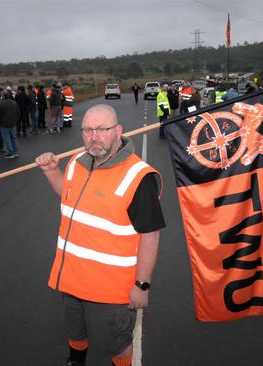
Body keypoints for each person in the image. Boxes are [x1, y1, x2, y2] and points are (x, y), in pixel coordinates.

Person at [34, 104, 165, 366]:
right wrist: (51, 172)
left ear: (118, 131)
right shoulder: (76, 162)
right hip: (71, 278)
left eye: (102, 130)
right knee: (75, 331)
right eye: (88, 130)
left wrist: (142, 286)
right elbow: (68, 194)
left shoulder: (138, 177)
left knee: (117, 345)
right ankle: (76, 361)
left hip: (111, 290)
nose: (94, 137)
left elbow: (150, 236)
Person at [0, 90, 20, 158]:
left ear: (2, 96)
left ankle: (10, 153)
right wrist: (15, 121)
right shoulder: (14, 103)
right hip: (13, 124)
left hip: (4, 124)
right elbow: (18, 113)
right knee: (13, 138)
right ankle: (15, 152)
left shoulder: (0, 104)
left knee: (7, 138)